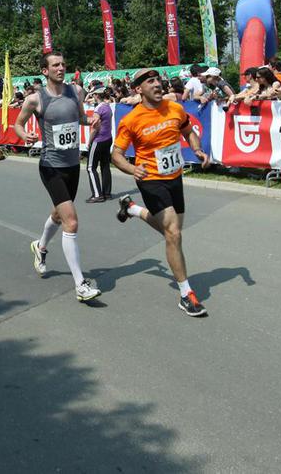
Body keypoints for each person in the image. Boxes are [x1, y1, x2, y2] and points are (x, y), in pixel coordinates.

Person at [110, 68, 211, 317]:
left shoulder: (174, 108)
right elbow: (116, 155)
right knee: (173, 233)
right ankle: (186, 294)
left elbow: (188, 131)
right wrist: (132, 169)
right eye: (150, 82)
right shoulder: (131, 120)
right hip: (150, 179)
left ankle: (132, 209)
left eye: (158, 80)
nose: (157, 85)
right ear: (138, 89)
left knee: (173, 230)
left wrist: (197, 149)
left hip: (174, 177)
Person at [14, 52, 102, 302]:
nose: (61, 68)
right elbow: (18, 124)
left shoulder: (76, 91)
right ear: (45, 71)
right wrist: (25, 135)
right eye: (55, 65)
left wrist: (91, 120)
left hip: (72, 165)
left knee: (58, 213)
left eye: (63, 64)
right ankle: (80, 284)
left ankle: (40, 247)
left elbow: (80, 118)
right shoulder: (35, 99)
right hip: (51, 165)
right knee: (70, 222)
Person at [86, 88, 114, 203]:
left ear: (97, 95)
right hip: (108, 138)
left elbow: (95, 127)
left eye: (94, 95)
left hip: (99, 139)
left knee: (90, 167)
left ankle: (97, 194)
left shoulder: (98, 109)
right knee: (105, 166)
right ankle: (107, 193)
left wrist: (89, 141)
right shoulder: (107, 106)